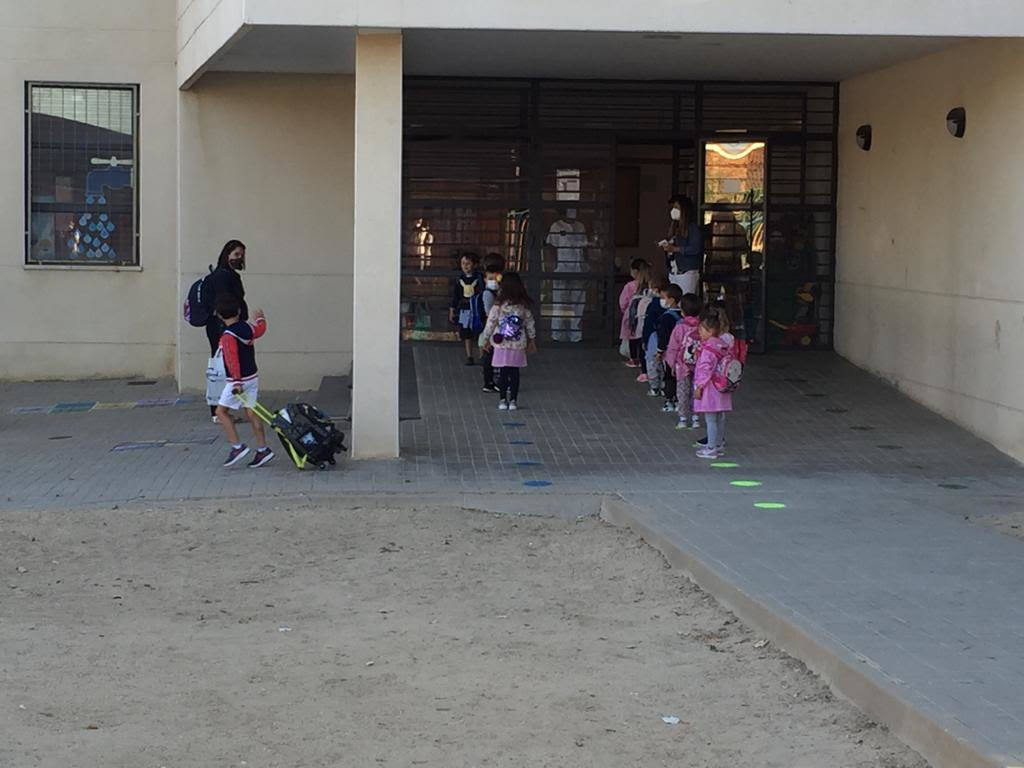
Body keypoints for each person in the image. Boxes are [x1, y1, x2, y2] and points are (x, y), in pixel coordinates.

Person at [213, 294, 273, 469]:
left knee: (221, 412)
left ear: (219, 315)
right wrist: (261, 318)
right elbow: (260, 330)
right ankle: (263, 449)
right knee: (252, 412)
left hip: (237, 381)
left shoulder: (228, 335)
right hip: (252, 377)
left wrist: (237, 382)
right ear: (239, 311)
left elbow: (232, 359)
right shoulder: (247, 327)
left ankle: (237, 447)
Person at [205, 239, 248, 421]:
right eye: (236, 254)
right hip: (224, 326)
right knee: (225, 366)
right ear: (227, 254)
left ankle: (219, 409)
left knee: (222, 366)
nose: (239, 258)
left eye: (242, 255)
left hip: (221, 325)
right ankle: (219, 411)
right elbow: (227, 301)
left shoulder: (220, 274)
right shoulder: (224, 277)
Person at [481, 272, 537, 412]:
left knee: (503, 372)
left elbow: (491, 323)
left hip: (501, 344)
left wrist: (485, 340)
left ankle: (502, 400)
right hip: (518, 344)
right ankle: (513, 401)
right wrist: (532, 339)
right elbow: (530, 323)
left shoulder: (498, 306)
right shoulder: (522, 306)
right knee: (514, 373)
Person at [693, 307, 734, 459]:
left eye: (702, 330)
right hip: (722, 386)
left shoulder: (708, 349)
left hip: (710, 388)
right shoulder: (723, 346)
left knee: (710, 419)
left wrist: (699, 386)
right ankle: (718, 444)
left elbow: (704, 369)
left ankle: (711, 448)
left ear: (710, 331)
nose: (700, 333)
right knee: (720, 417)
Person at [665, 293, 702, 430]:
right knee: (696, 390)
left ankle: (683, 418)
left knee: (682, 391)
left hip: (683, 365)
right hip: (699, 365)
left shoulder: (679, 327)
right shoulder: (702, 327)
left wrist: (672, 364)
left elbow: (673, 347)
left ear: (682, 311)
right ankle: (696, 417)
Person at [660, 195, 703, 296]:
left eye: (677, 208)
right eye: (673, 208)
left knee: (685, 301)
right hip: (673, 271)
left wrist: (676, 249)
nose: (674, 210)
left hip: (686, 273)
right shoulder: (674, 228)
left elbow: (695, 248)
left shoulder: (692, 229)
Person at [449, 252, 484, 366]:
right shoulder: (459, 279)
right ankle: (469, 356)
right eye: (463, 263)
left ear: (474, 265)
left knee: (480, 331)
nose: (465, 266)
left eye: (468, 264)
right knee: (466, 333)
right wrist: (452, 310)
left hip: (477, 309)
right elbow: (455, 296)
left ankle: (482, 355)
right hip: (464, 309)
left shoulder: (479, 278)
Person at [654, 284, 684, 414]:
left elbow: (663, 337)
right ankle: (679, 400)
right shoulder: (683, 316)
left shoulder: (666, 317)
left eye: (664, 298)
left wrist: (659, 351)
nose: (663, 300)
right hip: (683, 352)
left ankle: (668, 401)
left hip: (670, 353)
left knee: (668, 377)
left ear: (671, 300)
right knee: (680, 377)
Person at [479, 254, 504, 393]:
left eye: (496, 278)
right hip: (493, 328)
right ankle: (489, 382)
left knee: (494, 354)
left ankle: (493, 381)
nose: (493, 281)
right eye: (490, 279)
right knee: (489, 354)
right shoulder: (488, 294)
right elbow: (490, 314)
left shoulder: (500, 292)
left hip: (497, 328)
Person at [619, 258, 649, 369]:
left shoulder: (629, 286)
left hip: (631, 314)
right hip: (644, 313)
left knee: (631, 336)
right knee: (641, 336)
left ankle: (633, 359)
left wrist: (624, 311)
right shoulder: (648, 284)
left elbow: (623, 301)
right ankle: (642, 359)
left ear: (634, 271)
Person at [641, 278, 668, 397]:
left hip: (652, 339)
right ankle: (663, 386)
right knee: (663, 365)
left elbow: (647, 324)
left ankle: (654, 387)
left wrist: (644, 340)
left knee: (652, 364)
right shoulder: (672, 310)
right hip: (665, 341)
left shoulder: (652, 305)